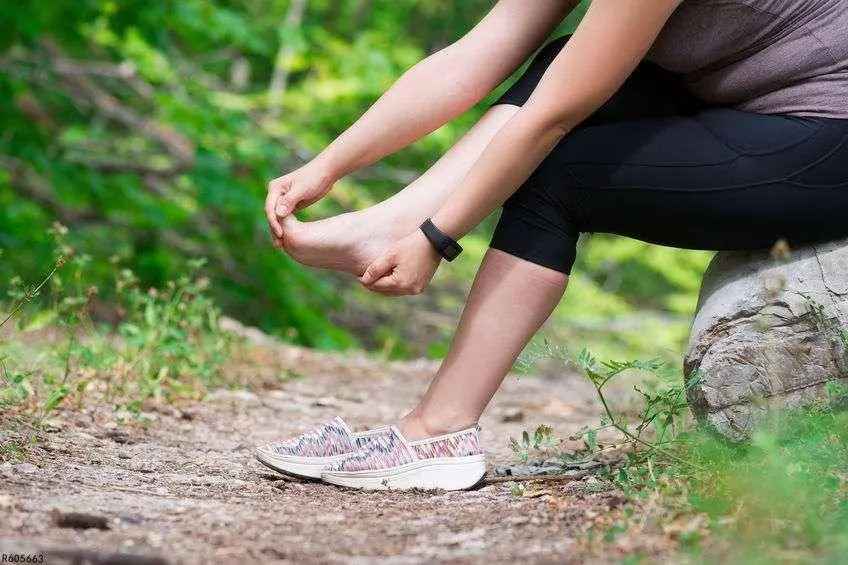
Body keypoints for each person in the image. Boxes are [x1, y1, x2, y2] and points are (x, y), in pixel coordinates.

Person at [255, 0, 848, 490]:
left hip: (828, 138)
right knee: (566, 57)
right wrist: (329, 165)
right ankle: (392, 220)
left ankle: (438, 432)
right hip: (739, 97)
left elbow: (552, 119)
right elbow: (477, 52)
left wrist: (439, 238)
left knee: (560, 174)